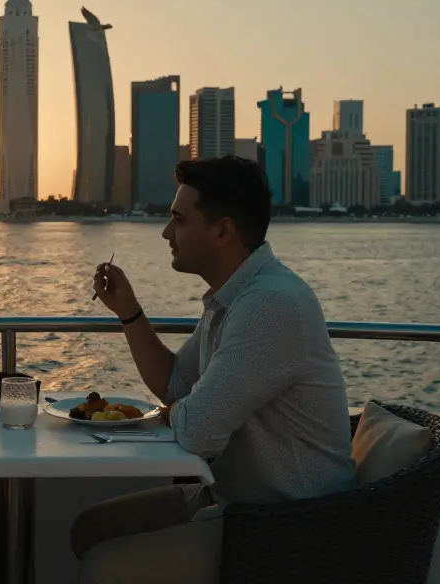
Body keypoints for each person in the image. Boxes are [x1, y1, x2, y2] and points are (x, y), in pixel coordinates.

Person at [75, 156, 356, 584]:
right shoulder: (234, 297)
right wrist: (128, 312)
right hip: (232, 500)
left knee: (104, 566)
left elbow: (197, 428)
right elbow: (175, 385)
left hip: (287, 525)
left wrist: (181, 411)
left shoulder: (271, 306)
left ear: (223, 230)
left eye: (178, 221)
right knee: (90, 530)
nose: (167, 233)